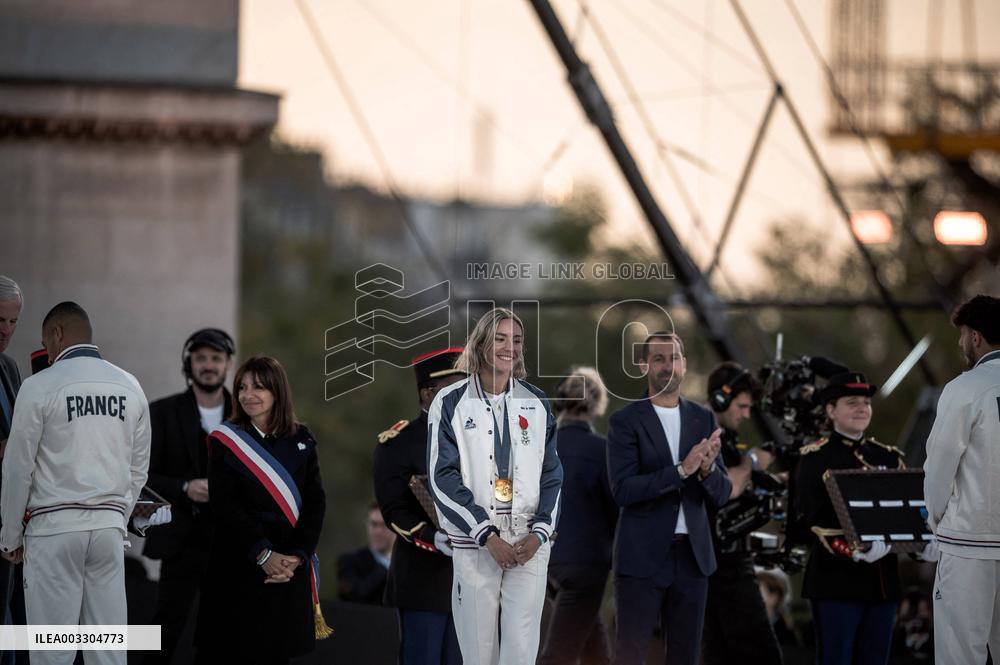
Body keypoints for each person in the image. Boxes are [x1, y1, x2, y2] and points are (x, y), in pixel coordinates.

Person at [0, 301, 151, 665]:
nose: (47, 353)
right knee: (107, 648)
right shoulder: (130, 385)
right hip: (108, 532)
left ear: (57, 334)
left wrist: (10, 536)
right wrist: (117, 516)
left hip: (53, 530)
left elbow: (18, 468)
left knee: (53, 650)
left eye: (46, 343)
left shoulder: (38, 386)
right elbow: (138, 469)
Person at [427, 307, 563, 665]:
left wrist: (540, 533)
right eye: (500, 338)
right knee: (478, 654)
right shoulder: (451, 401)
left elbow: (552, 474)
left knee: (520, 652)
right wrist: (486, 534)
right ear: (482, 341)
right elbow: (443, 477)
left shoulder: (536, 402)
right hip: (475, 544)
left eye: (516, 340)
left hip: (528, 542)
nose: (509, 347)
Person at [607, 331, 730, 665]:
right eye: (658, 358)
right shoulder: (624, 421)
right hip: (641, 559)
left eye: (673, 358)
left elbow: (723, 493)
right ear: (643, 364)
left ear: (684, 365)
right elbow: (623, 490)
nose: (667, 366)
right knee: (630, 655)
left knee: (686, 657)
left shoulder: (702, 418)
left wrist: (706, 471)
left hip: (693, 559)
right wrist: (681, 470)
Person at [195, 356, 328, 665]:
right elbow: (226, 506)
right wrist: (264, 554)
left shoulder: (302, 439)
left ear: (277, 391)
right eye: (242, 387)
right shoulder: (227, 440)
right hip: (238, 565)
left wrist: (296, 557)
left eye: (258, 387)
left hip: (286, 570)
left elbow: (316, 502)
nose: (248, 395)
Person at [795, 371, 905, 665]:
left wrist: (921, 541)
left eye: (866, 402)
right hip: (837, 583)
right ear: (831, 411)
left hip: (882, 584)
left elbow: (904, 512)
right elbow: (811, 519)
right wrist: (855, 549)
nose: (862, 408)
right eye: (852, 402)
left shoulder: (888, 457)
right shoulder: (815, 458)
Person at [143, 328, 235, 665]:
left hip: (231, 546)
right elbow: (141, 475)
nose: (208, 365)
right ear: (189, 363)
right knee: (164, 631)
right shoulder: (162, 412)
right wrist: (185, 488)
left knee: (220, 636)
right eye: (201, 358)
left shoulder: (245, 415)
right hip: (179, 543)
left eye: (216, 358)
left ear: (228, 364)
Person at [372, 347, 465, 664]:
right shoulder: (398, 443)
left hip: (474, 581)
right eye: (454, 388)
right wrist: (432, 536)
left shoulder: (481, 437)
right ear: (427, 393)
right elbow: (393, 509)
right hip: (424, 580)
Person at [923, 294, 1000, 665]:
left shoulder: (965, 388)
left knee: (959, 656)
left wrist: (937, 522)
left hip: (969, 543)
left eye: (962, 334)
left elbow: (938, 469)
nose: (960, 342)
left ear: (975, 337)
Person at [701, 361, 784, 665]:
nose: (746, 414)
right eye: (742, 406)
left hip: (716, 562)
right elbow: (730, 488)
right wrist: (753, 461)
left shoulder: (722, 435)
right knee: (763, 654)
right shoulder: (704, 433)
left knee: (718, 653)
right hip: (724, 563)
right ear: (720, 398)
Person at [538, 366, 617, 665]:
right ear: (597, 406)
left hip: (546, 560)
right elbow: (616, 506)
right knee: (559, 654)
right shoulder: (604, 451)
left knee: (592, 645)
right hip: (587, 565)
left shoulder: (540, 447)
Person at [336, 503, 394, 605]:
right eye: (374, 524)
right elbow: (353, 596)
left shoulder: (406, 565)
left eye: (384, 525)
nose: (378, 531)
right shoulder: (350, 561)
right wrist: (385, 567)